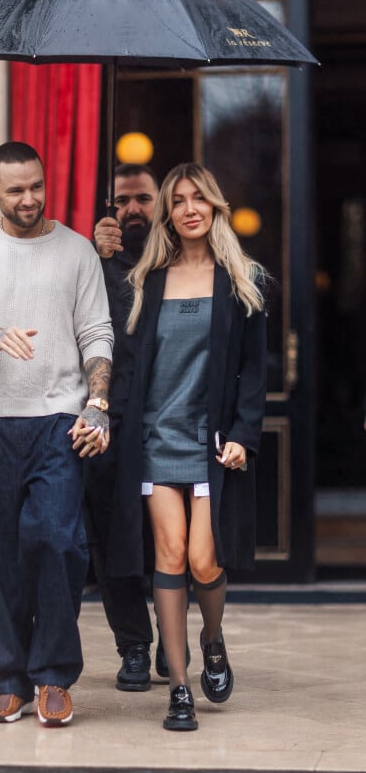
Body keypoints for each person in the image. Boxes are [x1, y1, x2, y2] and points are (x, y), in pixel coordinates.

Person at [0, 141, 113, 727]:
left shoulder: (76, 251)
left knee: (57, 542)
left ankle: (53, 676)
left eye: (36, 185)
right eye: (15, 189)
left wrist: (98, 404)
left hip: (59, 422)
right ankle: (9, 681)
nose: (29, 198)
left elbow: (97, 333)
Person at [112, 162, 267, 731]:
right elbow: (128, 365)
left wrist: (245, 438)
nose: (189, 209)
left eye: (199, 199)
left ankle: (213, 638)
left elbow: (253, 373)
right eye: (178, 201)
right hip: (155, 438)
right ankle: (179, 688)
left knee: (205, 560)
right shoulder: (148, 280)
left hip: (210, 444)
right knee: (170, 556)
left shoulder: (239, 279)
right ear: (168, 214)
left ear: (216, 207)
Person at [85, 164, 167, 692]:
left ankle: (175, 642)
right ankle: (133, 646)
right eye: (122, 200)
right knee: (116, 542)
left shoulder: (181, 261)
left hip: (167, 423)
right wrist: (96, 257)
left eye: (142, 198)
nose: (132, 208)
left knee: (171, 542)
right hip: (110, 424)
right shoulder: (95, 265)